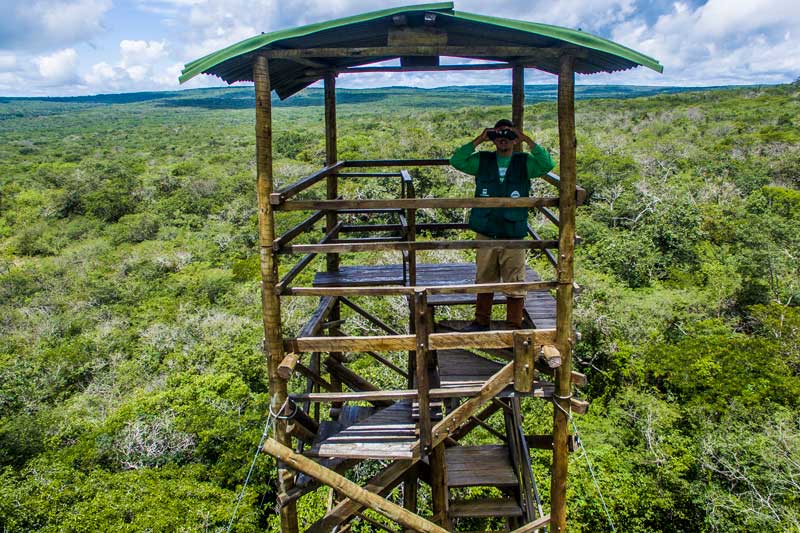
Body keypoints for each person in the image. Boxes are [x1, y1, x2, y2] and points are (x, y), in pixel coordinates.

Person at [449, 119, 555, 330]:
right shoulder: (483, 160)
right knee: (484, 276)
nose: (503, 139)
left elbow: (547, 164)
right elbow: (457, 160)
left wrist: (526, 139)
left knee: (515, 278)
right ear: (493, 139)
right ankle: (481, 321)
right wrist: (479, 139)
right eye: (498, 136)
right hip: (487, 229)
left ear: (515, 140)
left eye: (509, 136)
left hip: (512, 232)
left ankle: (513, 325)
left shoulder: (524, 161)